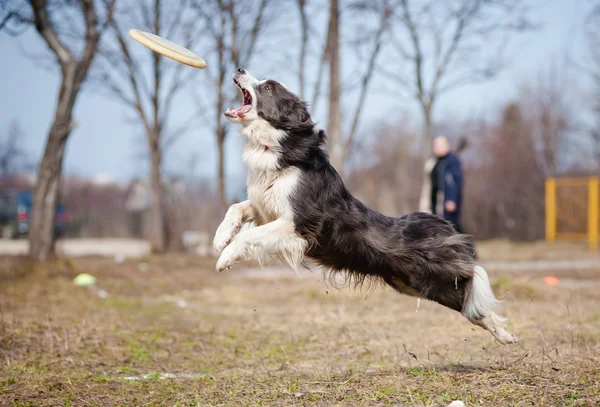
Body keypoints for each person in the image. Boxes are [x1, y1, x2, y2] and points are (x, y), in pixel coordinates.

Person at [429, 136, 464, 233]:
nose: (435, 148)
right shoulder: (438, 162)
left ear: (446, 146)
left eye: (438, 146)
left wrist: (451, 199)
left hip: (447, 200)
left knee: (452, 226)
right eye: (435, 146)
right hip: (438, 201)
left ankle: (467, 247)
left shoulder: (451, 161)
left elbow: (453, 181)